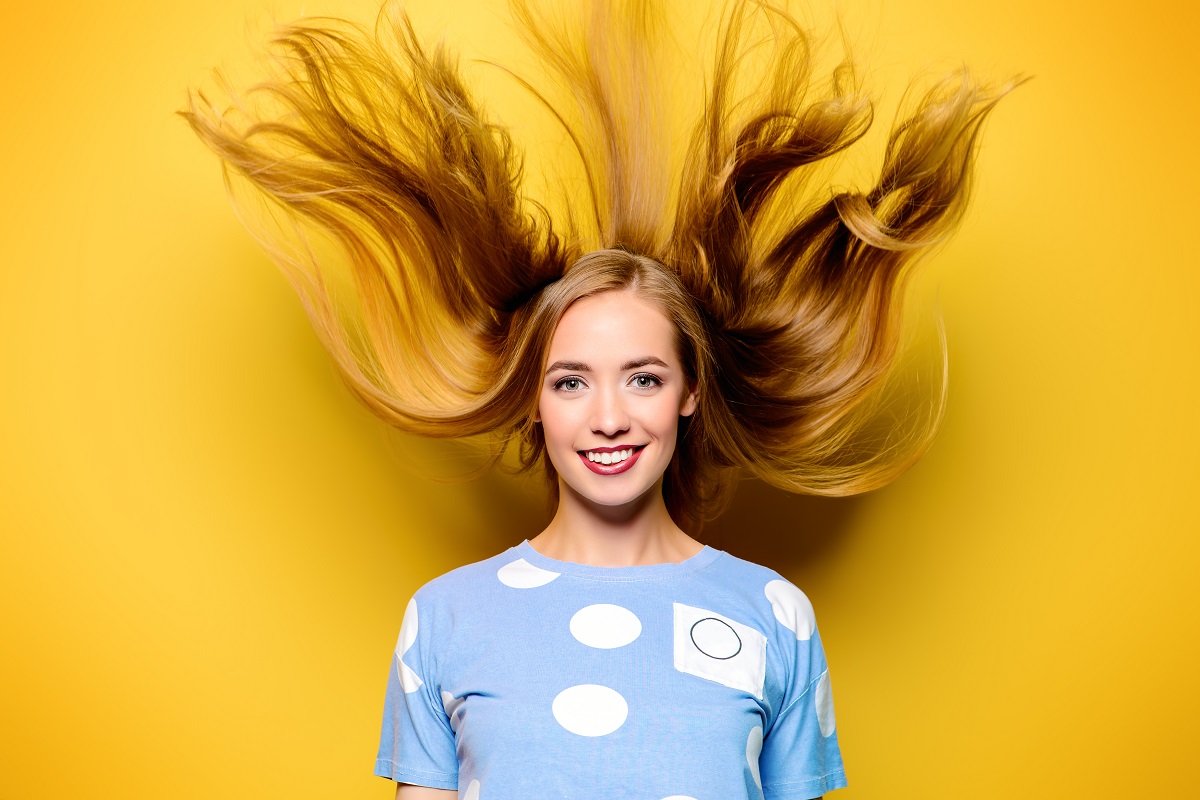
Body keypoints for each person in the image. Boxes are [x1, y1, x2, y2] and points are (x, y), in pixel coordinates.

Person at [183, 1, 1018, 797]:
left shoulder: (774, 616)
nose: (609, 416)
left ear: (690, 393)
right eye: (571, 381)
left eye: (644, 378)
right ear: (533, 400)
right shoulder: (444, 618)